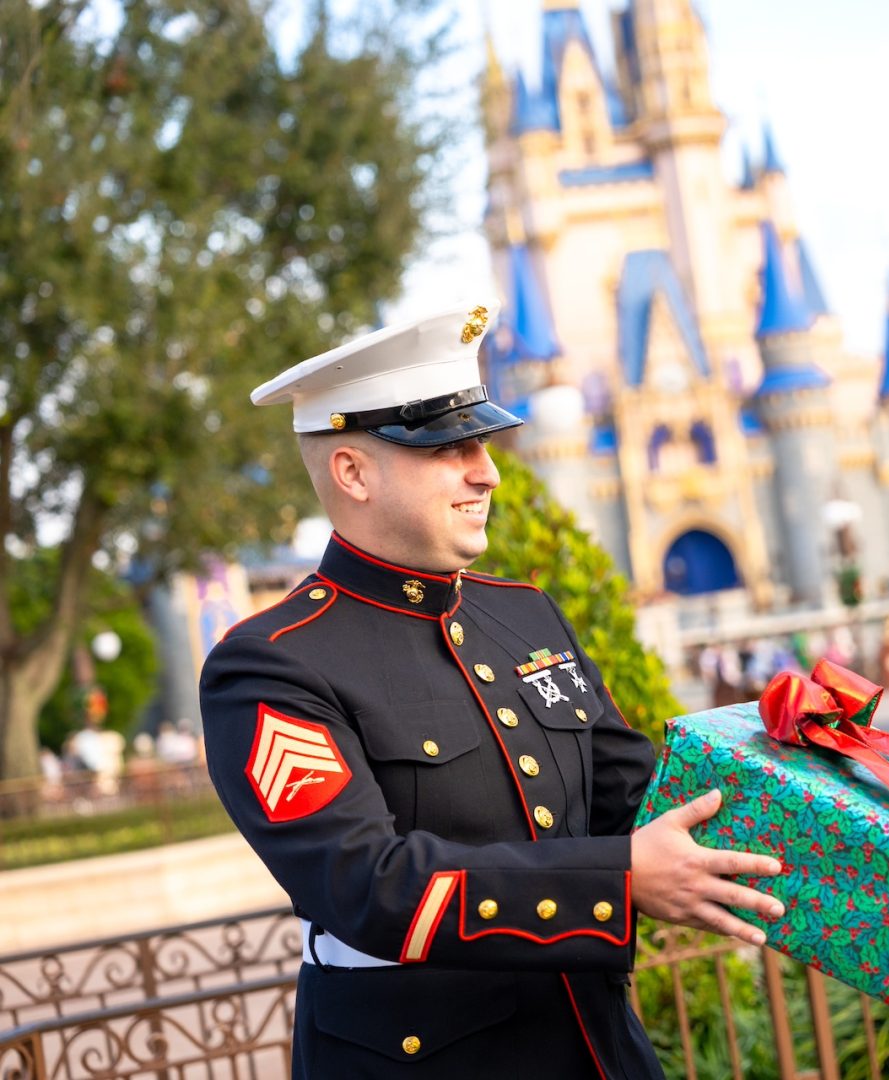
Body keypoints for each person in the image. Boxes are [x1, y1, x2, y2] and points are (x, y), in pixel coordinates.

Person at [200, 301, 782, 1078]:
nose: (488, 472)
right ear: (352, 472)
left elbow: (640, 799)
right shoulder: (273, 664)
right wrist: (618, 881)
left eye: (481, 443)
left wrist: (804, 773)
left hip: (601, 1051)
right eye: (448, 449)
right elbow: (366, 885)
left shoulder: (523, 613)